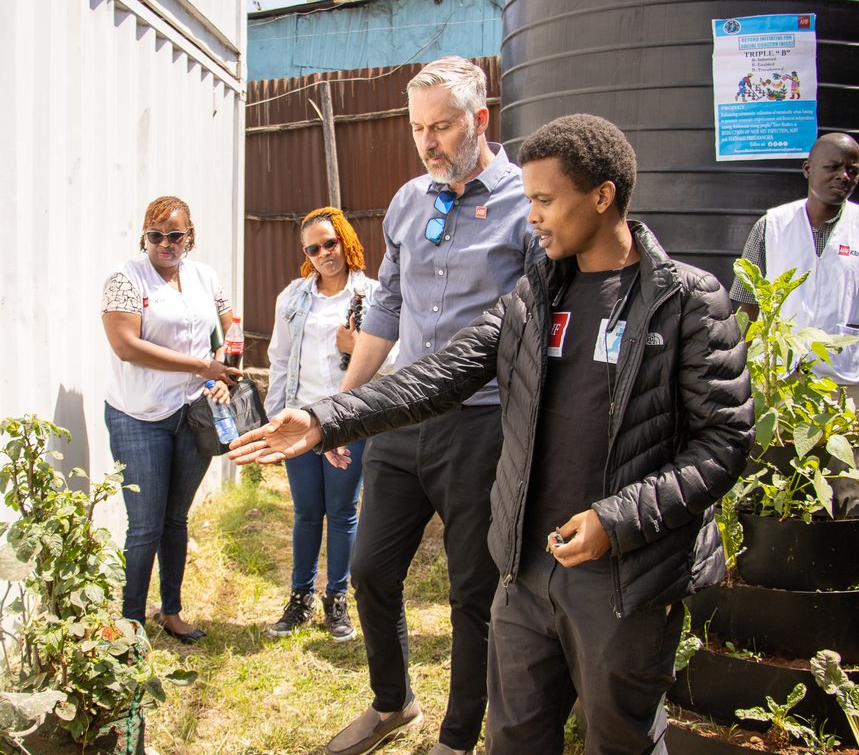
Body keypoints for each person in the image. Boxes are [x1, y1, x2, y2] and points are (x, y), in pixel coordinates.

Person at [230, 114, 754, 755]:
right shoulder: (534, 298)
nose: (530, 216)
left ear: (602, 195)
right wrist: (324, 417)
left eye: (543, 200)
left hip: (623, 577)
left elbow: (724, 443)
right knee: (515, 740)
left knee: (619, 741)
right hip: (526, 572)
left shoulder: (686, 301)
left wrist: (615, 521)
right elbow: (441, 376)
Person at [317, 56, 534, 755]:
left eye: (441, 126)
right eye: (418, 128)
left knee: (473, 591)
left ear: (480, 119)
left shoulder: (525, 204)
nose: (428, 142)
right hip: (404, 415)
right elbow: (387, 304)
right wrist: (347, 409)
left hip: (482, 423)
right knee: (371, 570)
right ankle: (393, 703)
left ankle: (457, 736)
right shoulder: (411, 201)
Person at [101, 195, 241, 644]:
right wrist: (200, 367)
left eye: (175, 235)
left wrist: (222, 372)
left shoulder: (204, 276)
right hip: (138, 416)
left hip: (192, 416)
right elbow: (126, 345)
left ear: (189, 236)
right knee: (145, 524)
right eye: (156, 235)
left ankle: (172, 611)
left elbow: (229, 327)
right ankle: (130, 623)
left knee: (175, 519)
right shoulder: (125, 279)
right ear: (145, 237)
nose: (165, 243)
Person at [264, 206, 395, 642]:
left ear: (345, 239)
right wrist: (273, 420)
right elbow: (279, 360)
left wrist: (358, 346)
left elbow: (394, 361)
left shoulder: (373, 295)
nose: (324, 254)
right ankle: (299, 598)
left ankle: (336, 601)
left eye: (330, 243)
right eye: (314, 248)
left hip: (348, 421)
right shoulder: (293, 297)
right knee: (305, 514)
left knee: (341, 513)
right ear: (307, 253)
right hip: (301, 421)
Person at [729, 132, 859, 406]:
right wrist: (741, 364)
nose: (844, 176)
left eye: (853, 170)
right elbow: (746, 303)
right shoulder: (772, 226)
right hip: (778, 378)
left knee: (843, 447)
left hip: (842, 381)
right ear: (808, 169)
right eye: (833, 167)